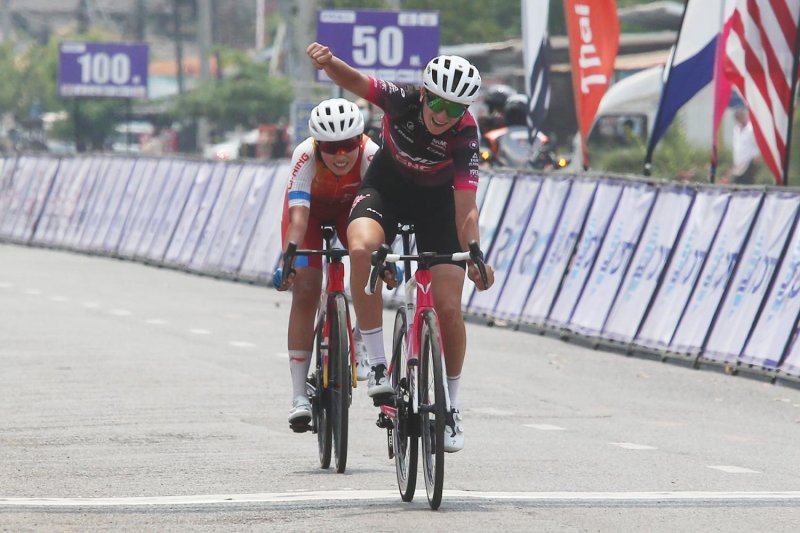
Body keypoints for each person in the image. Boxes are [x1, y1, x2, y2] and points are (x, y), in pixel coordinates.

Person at [307, 42, 496, 453]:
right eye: (440, 104)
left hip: (437, 208)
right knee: (360, 250)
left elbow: (466, 208)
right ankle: (377, 364)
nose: (444, 116)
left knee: (448, 307)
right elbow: (356, 81)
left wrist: (476, 252)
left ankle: (452, 408)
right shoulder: (403, 101)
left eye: (456, 109)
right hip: (386, 192)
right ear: (426, 94)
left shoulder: (465, 135)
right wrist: (329, 61)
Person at [276, 97, 379, 430]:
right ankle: (298, 395)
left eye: (347, 145)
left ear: (359, 141)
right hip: (311, 215)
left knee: (368, 272)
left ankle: (361, 341)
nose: (340, 155)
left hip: (352, 211)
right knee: (306, 289)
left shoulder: (370, 154)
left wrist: (385, 253)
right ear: (318, 145)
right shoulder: (305, 155)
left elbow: (380, 211)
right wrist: (289, 256)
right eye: (331, 147)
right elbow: (298, 216)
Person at [724, 107, 760, 185]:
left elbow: (759, 143)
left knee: (747, 184)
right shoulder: (736, 129)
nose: (739, 119)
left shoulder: (751, 129)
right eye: (737, 118)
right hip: (739, 163)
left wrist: (757, 157)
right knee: (737, 184)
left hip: (750, 161)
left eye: (740, 117)